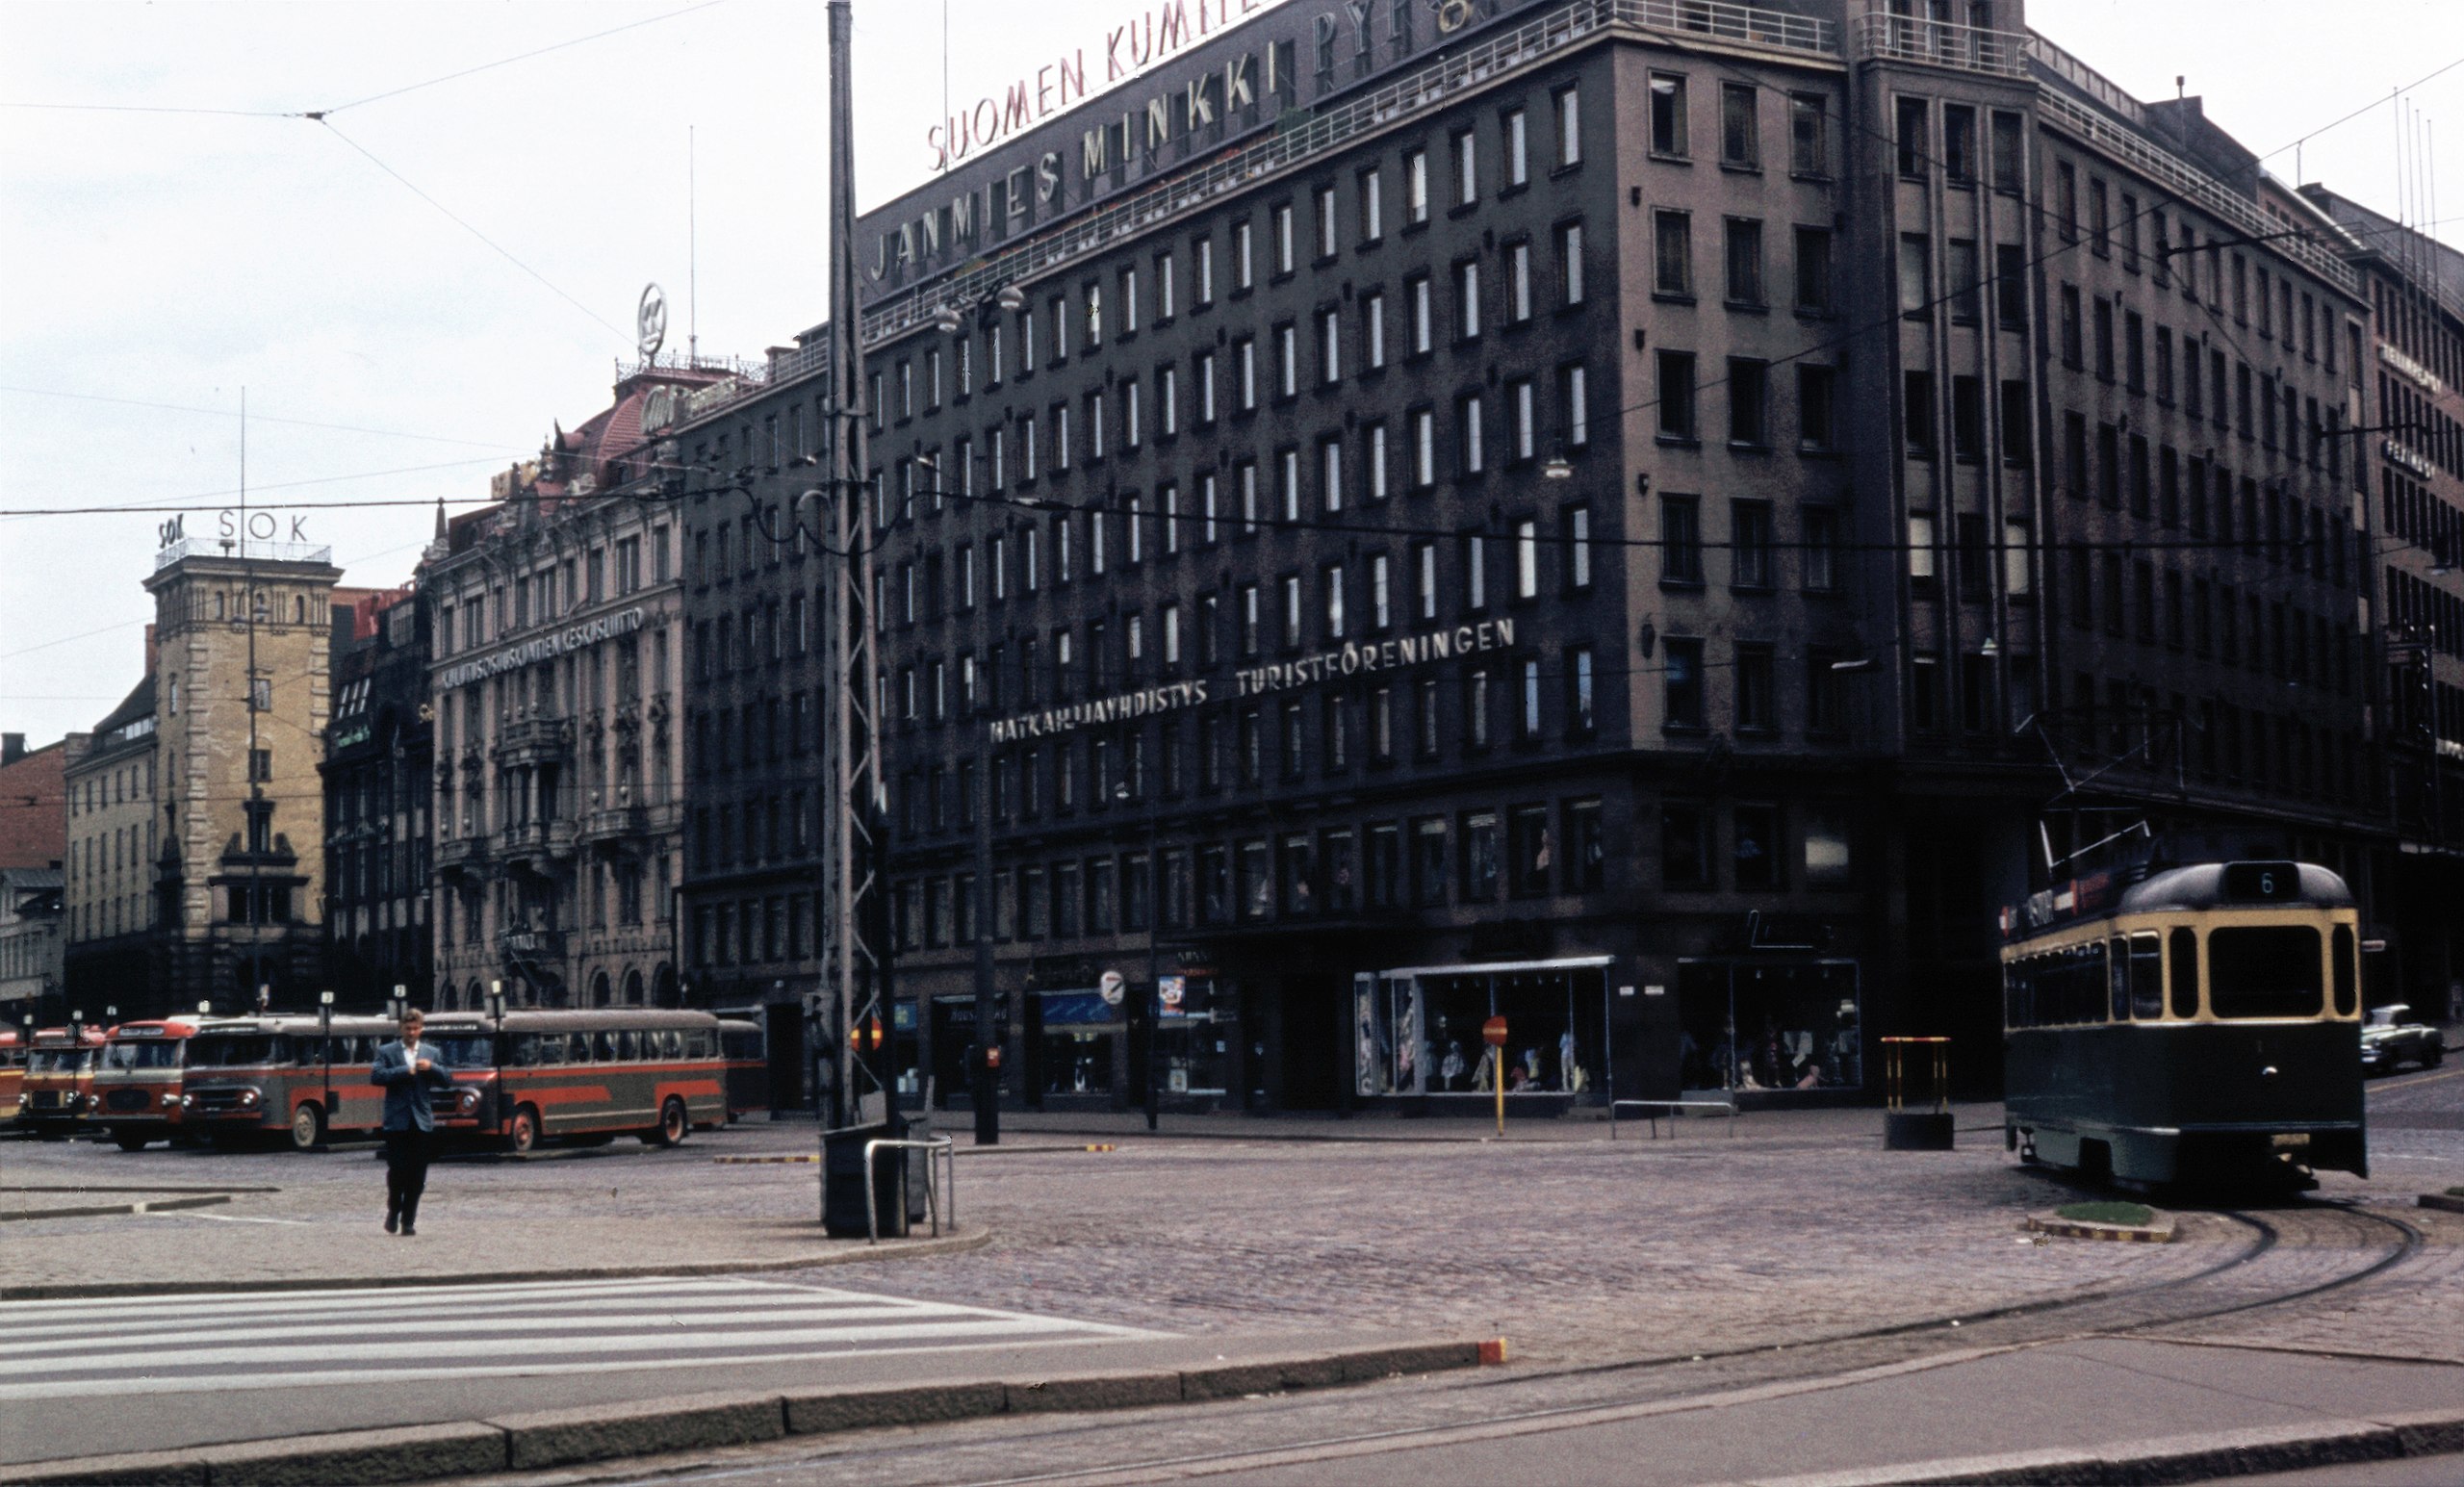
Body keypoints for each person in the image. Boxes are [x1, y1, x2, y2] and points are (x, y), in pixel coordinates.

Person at [372, 1009, 448, 1235]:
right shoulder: (387, 1051)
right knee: (397, 1171)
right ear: (401, 1029)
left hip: (422, 1121)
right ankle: (394, 1210)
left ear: (421, 1029)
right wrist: (406, 1070)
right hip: (397, 1122)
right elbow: (376, 1076)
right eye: (408, 1029)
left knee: (417, 1175)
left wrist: (432, 1068)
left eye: (416, 1029)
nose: (412, 1032)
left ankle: (409, 1221)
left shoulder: (432, 1052)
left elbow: (447, 1078)